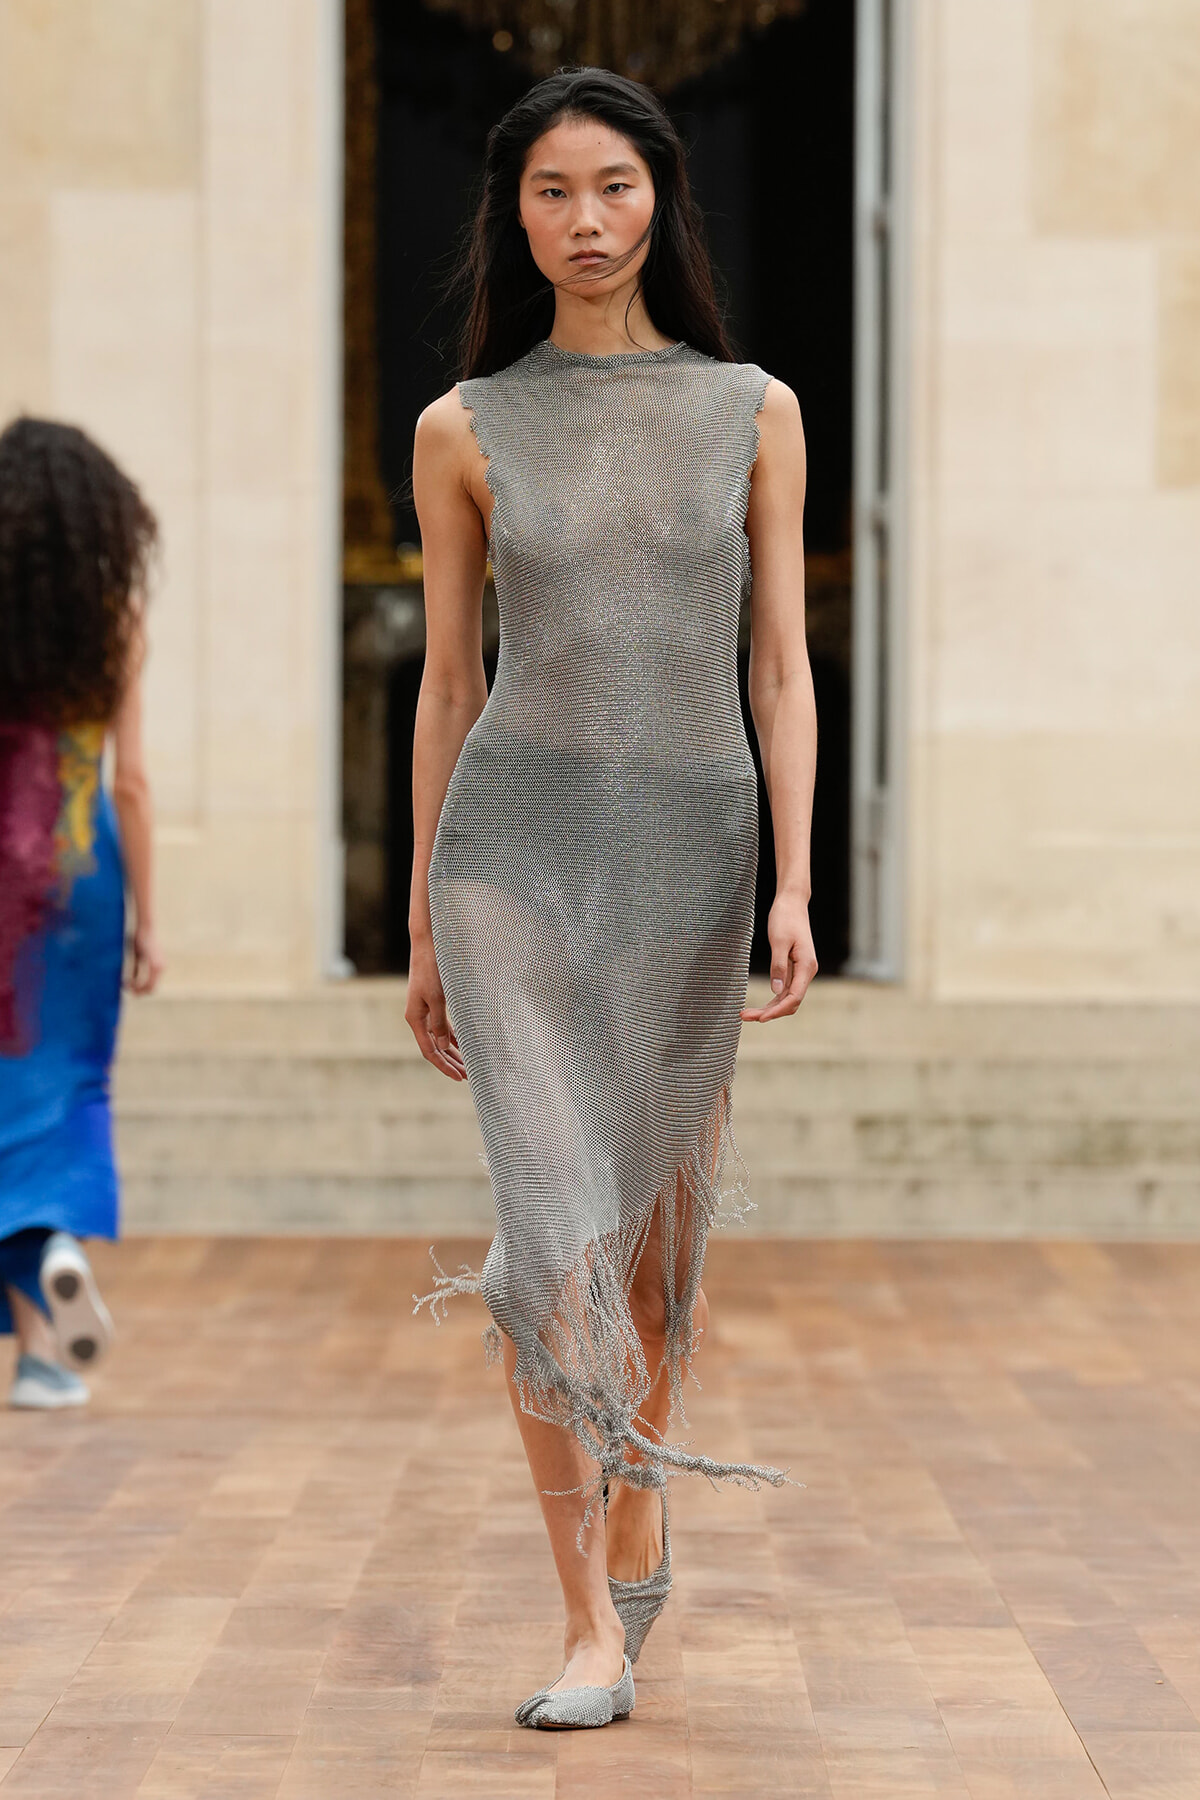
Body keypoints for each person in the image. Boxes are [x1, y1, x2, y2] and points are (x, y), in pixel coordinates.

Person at [407, 67, 817, 1730]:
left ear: (662, 201)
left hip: (689, 860)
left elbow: (779, 664)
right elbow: (450, 681)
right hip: (509, 853)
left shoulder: (754, 411)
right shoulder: (463, 427)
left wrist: (797, 877)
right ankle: (586, 1620)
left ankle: (638, 1486)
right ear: (515, 216)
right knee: (544, 1236)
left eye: (615, 187)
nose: (585, 221)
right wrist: (423, 917)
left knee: (648, 1262)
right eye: (552, 192)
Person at [0, 417, 162, 1410]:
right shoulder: (113, 619)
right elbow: (131, 782)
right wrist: (148, 920)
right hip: (78, 874)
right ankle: (55, 1265)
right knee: (74, 1086)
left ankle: (41, 1348)